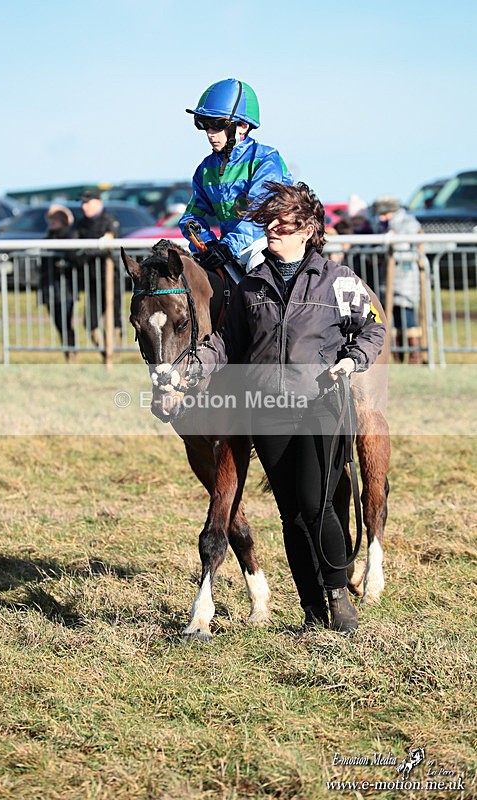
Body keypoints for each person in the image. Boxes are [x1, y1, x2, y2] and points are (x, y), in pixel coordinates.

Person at [194, 182, 386, 633]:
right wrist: (191, 366)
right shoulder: (252, 285)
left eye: (284, 224)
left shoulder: (338, 279)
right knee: (291, 515)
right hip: (267, 408)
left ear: (307, 230)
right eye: (270, 224)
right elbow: (227, 342)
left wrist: (351, 359)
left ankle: (338, 596)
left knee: (316, 505)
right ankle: (311, 610)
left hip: (321, 405)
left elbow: (372, 328)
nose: (274, 231)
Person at [179, 78, 293, 273]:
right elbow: (191, 217)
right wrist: (207, 243)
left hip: (268, 241)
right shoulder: (205, 169)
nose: (210, 133)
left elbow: (259, 213)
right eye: (204, 124)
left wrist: (227, 247)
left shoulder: (266, 159)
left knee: (258, 269)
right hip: (230, 246)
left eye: (217, 124)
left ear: (243, 126)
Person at [372, 195, 422, 363]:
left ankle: (414, 356)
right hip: (387, 281)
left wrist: (389, 243)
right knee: (391, 320)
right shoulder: (382, 226)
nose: (380, 217)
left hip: (406, 280)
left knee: (408, 318)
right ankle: (397, 357)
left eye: (383, 213)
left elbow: (405, 248)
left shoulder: (409, 223)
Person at [75, 188, 121, 350]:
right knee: (90, 320)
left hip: (111, 276)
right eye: (82, 203)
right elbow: (73, 250)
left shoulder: (109, 220)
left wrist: (86, 251)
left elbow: (110, 240)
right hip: (91, 277)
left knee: (114, 316)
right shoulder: (81, 224)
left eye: (87, 202)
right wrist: (91, 251)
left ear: (99, 203)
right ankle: (104, 349)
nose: (84, 206)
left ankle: (115, 350)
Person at [40, 205, 79, 362]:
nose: (53, 221)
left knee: (65, 321)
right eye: (52, 219)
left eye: (57, 218)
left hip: (66, 287)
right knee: (58, 322)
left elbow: (74, 258)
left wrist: (64, 264)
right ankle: (67, 351)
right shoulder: (48, 238)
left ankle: (71, 351)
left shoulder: (70, 236)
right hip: (50, 287)